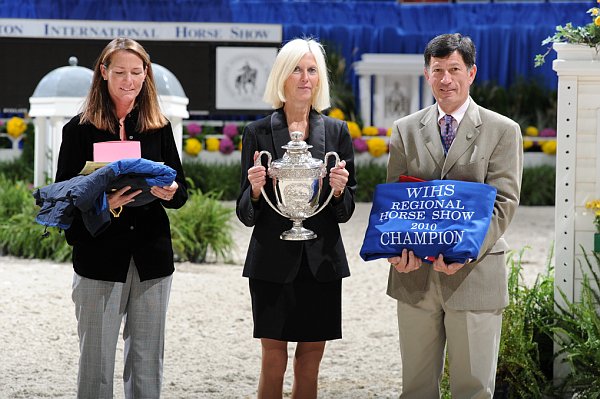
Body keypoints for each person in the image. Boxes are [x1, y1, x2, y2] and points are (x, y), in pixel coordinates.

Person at [385, 33, 523, 397]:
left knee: (473, 389)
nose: (446, 79)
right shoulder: (405, 130)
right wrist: (397, 250)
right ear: (426, 74)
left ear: (471, 73)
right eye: (438, 70)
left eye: (454, 69)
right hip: (414, 276)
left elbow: (503, 204)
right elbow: (397, 205)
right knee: (415, 388)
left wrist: (463, 252)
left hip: (474, 275)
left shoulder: (503, 131)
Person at [55, 37, 188, 399]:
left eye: (135, 72)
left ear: (146, 75)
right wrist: (105, 201)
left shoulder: (158, 128)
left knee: (147, 365)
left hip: (152, 259)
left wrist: (171, 192)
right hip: (99, 260)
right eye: (119, 72)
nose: (128, 80)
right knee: (96, 367)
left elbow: (182, 190)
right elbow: (63, 206)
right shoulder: (78, 130)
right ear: (103, 73)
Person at [236, 38, 356, 399]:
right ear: (281, 76)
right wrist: (255, 190)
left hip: (322, 264)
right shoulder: (256, 132)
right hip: (270, 262)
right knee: (273, 360)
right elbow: (245, 212)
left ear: (320, 79)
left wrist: (338, 190)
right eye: (297, 69)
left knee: (310, 360)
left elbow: (346, 210)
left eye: (312, 70)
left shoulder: (337, 132)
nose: (305, 78)